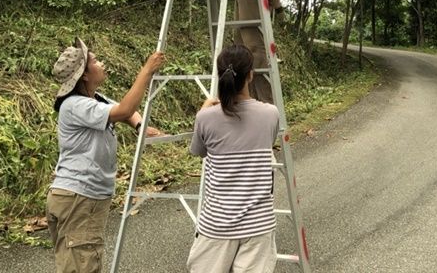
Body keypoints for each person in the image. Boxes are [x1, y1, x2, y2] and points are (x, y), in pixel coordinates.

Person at [45, 38, 165, 273]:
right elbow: (125, 109)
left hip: (82, 197)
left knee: (80, 261)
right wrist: (147, 71)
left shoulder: (95, 99)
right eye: (95, 61)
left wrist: (140, 126)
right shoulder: (75, 105)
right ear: (84, 75)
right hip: (79, 197)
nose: (101, 63)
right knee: (81, 265)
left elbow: (126, 112)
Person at [188, 44, 280, 273]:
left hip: (217, 224)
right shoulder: (270, 114)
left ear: (220, 75)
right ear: (250, 75)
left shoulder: (205, 118)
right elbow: (266, 143)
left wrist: (204, 111)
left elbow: (198, 151)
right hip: (259, 225)